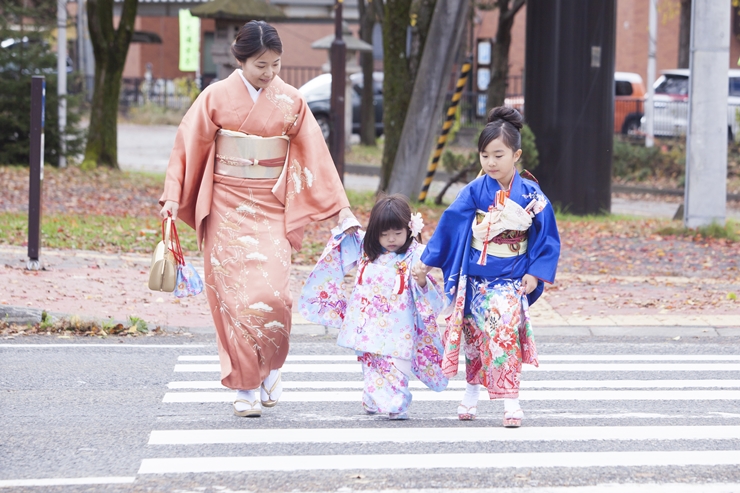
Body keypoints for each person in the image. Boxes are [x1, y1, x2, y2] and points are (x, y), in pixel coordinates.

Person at [159, 21, 357, 418]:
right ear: (241, 60)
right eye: (260, 66)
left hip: (272, 204)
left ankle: (269, 367)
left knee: (273, 295)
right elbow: (187, 145)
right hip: (225, 205)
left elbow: (315, 154)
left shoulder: (290, 100)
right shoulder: (215, 97)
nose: (269, 74)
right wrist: (172, 196)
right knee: (232, 299)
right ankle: (246, 386)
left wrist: (342, 208)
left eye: (275, 65)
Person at [412, 107, 560, 427]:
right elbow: (450, 224)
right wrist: (425, 262)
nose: (491, 163)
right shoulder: (475, 190)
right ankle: (470, 392)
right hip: (475, 279)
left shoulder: (532, 195)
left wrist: (535, 273)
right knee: (475, 339)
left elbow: (547, 237)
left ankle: (511, 400)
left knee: (503, 333)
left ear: (516, 155)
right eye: (484, 155)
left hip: (509, 279)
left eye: (498, 155)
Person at [298, 194, 448, 420]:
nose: (391, 239)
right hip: (367, 323)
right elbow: (343, 237)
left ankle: (396, 402)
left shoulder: (417, 253)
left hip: (400, 325)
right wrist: (347, 223)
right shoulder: (365, 248)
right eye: (384, 234)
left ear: (409, 230)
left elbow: (432, 292)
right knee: (373, 364)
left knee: (396, 365)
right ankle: (373, 395)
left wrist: (421, 280)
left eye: (397, 233)